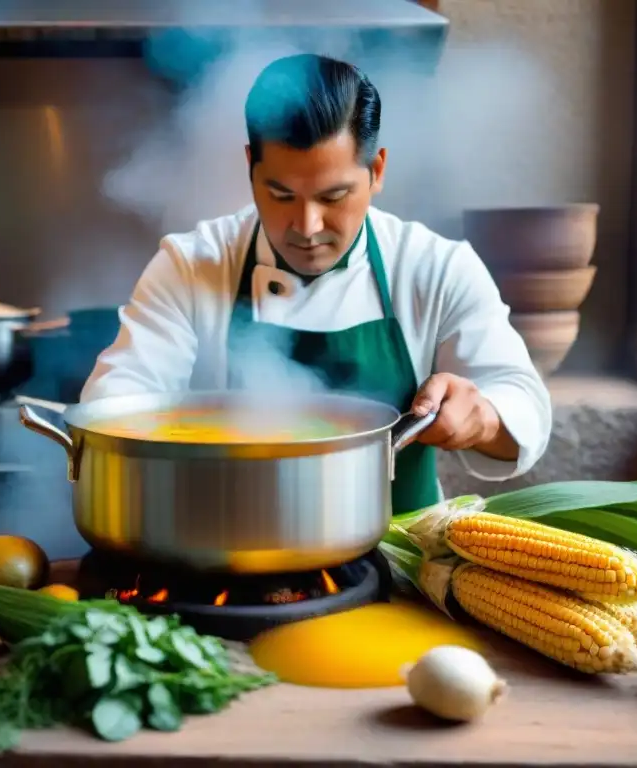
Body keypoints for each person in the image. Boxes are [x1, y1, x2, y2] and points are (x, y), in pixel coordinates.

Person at [82, 53, 552, 513]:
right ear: (250, 166)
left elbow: (523, 402)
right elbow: (117, 403)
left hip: (406, 559)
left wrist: (483, 417)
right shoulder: (191, 265)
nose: (306, 227)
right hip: (231, 549)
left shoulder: (434, 267)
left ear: (378, 170)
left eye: (334, 196)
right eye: (281, 194)